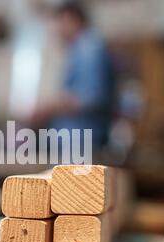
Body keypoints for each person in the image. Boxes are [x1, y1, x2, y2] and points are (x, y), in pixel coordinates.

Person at [32, 1, 115, 149]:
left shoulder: (88, 49)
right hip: (77, 139)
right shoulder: (82, 48)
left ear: (74, 20)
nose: (58, 29)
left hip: (82, 140)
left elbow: (91, 98)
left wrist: (49, 108)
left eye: (61, 22)